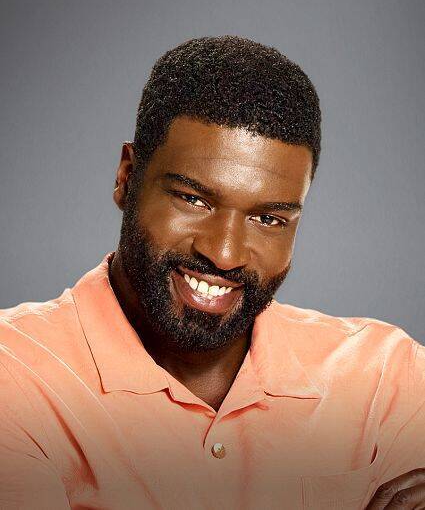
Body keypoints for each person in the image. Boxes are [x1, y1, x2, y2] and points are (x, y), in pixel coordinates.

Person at [0, 36, 424, 510]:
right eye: (193, 199)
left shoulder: (385, 379)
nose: (223, 254)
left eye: (268, 219)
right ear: (127, 177)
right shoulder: (14, 375)